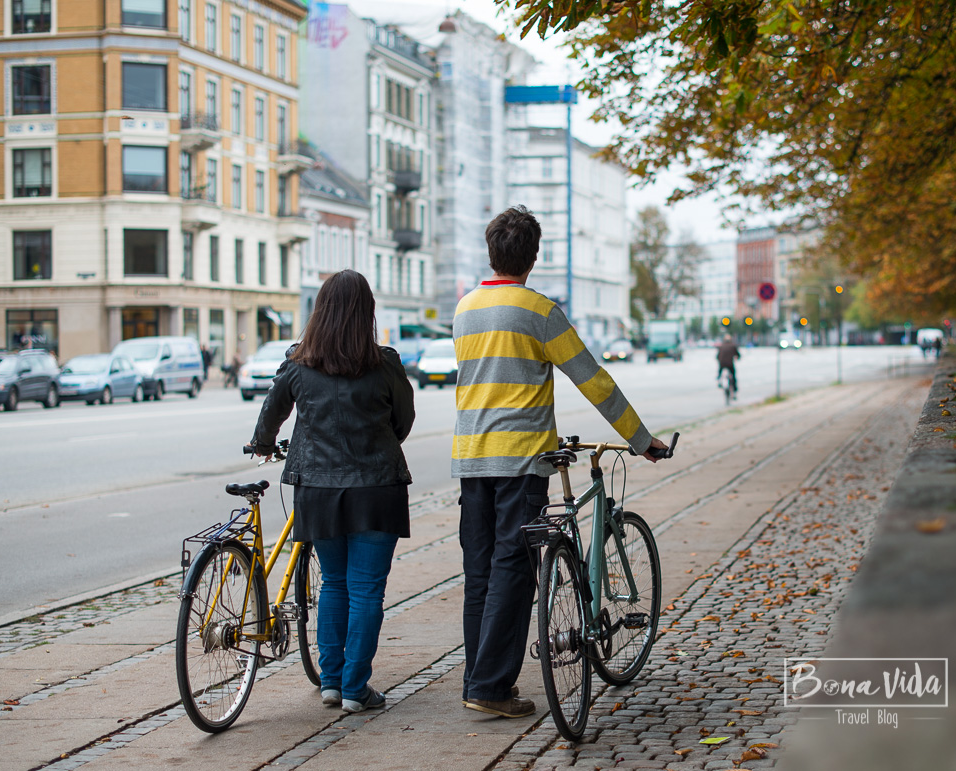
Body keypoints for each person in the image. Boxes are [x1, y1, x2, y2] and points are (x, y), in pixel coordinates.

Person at [452, 205, 667, 719]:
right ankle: (490, 687)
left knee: (479, 571)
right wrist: (640, 439)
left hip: (470, 458)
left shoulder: (465, 308)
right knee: (512, 569)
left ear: (491, 251)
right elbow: (593, 380)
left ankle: (475, 677)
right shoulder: (539, 311)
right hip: (521, 461)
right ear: (533, 256)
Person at [249, 269, 415, 714]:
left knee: (335, 586)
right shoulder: (385, 363)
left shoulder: (299, 364)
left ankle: (332, 681)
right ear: (368, 313)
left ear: (319, 311)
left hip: (319, 490)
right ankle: (356, 689)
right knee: (365, 591)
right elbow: (404, 421)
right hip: (376, 488)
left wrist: (264, 445)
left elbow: (271, 415)